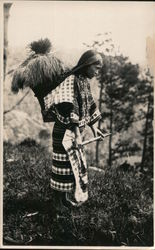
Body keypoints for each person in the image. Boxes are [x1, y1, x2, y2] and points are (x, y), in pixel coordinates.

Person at [43, 50, 105, 210]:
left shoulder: (83, 81)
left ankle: (63, 200)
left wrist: (95, 128)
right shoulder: (72, 80)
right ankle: (57, 202)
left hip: (74, 133)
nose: (97, 72)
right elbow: (71, 107)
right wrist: (77, 134)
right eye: (96, 68)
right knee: (62, 166)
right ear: (87, 64)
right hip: (64, 132)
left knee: (72, 167)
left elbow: (90, 105)